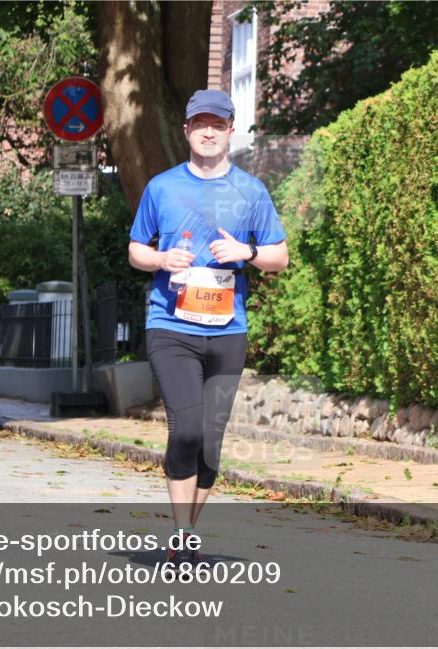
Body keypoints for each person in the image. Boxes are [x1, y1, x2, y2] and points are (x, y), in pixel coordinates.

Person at [127, 89, 288, 566]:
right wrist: (160, 258)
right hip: (170, 325)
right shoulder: (162, 187)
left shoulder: (252, 191)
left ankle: (184, 535)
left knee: (210, 439)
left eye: (218, 123)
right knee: (188, 428)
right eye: (200, 123)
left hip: (227, 330)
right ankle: (181, 532)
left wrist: (247, 253)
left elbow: (279, 256)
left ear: (230, 129)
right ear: (186, 130)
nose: (209, 131)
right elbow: (136, 249)